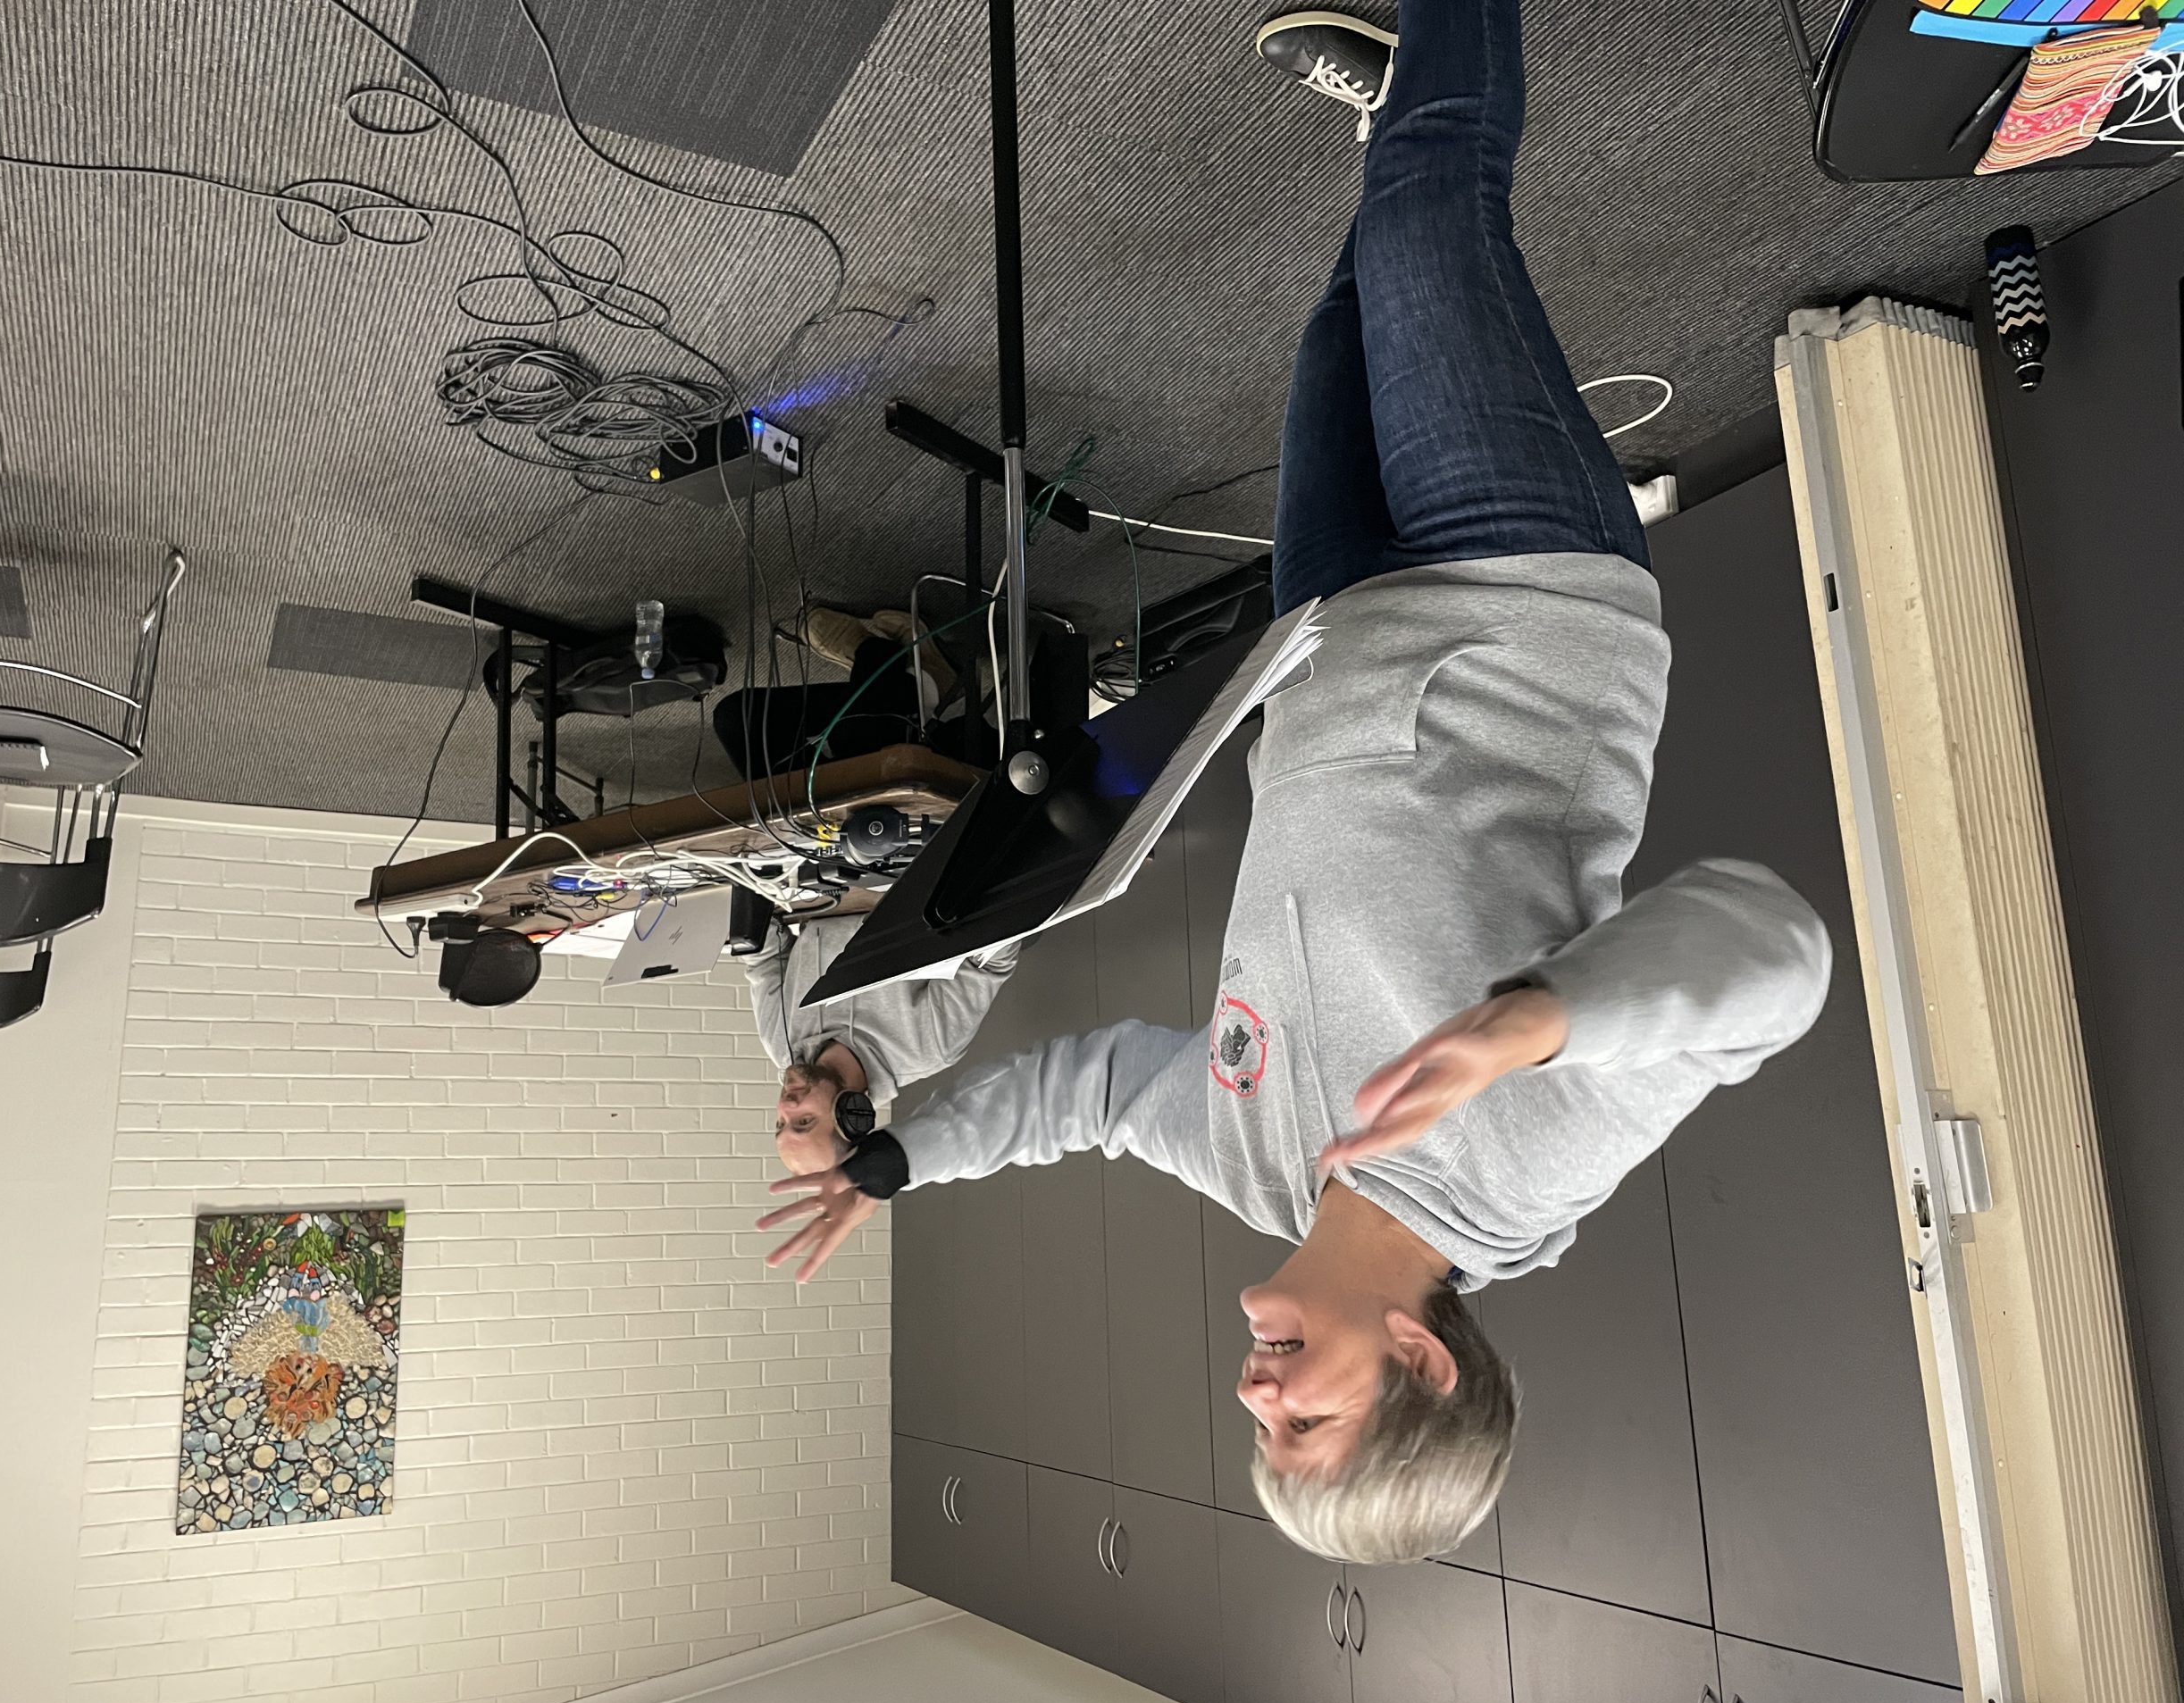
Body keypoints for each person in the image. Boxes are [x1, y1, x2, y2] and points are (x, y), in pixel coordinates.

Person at [755, 0, 1833, 1567]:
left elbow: (1086, 1099)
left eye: (1257, 1434)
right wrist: (1540, 1020)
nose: (1256, 1400)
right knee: (1433, 202)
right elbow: (1775, 958)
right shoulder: (1524, 1167)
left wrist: (900, 1154)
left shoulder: (1261, 1169)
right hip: (1525, 596)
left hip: (1331, 629)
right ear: (1420, 1364)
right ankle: (1424, 103)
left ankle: (1398, 102)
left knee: (1342, 322)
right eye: (1304, 1424)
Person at [743, 910, 1017, 1177]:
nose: (786, 1107)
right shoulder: (927, 1048)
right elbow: (993, 960)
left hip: (823, 894)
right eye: (804, 1121)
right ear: (851, 1115)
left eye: (780, 1123)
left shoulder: (782, 1043)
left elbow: (765, 956)